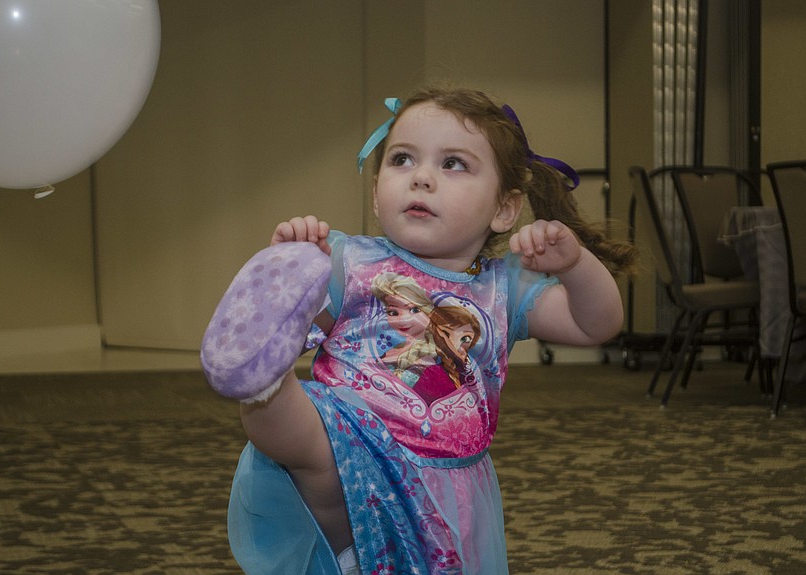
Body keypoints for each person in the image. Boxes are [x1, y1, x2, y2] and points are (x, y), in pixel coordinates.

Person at [200, 86, 637, 574]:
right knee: (309, 438)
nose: (421, 178)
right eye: (402, 159)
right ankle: (262, 376)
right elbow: (313, 327)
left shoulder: (505, 288)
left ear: (505, 209)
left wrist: (575, 265)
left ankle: (268, 384)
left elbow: (596, 324)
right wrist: (299, 271)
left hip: (442, 477)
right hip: (348, 445)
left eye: (453, 164)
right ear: (376, 192)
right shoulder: (349, 260)